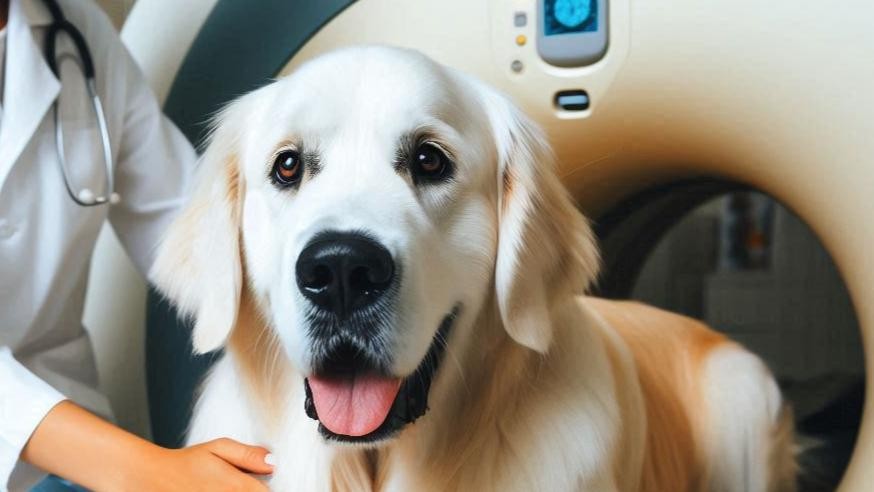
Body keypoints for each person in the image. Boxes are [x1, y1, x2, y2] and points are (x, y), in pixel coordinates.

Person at [0, 0, 273, 490]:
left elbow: (182, 222)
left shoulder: (77, 32)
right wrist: (150, 472)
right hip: (87, 454)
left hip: (62, 458)